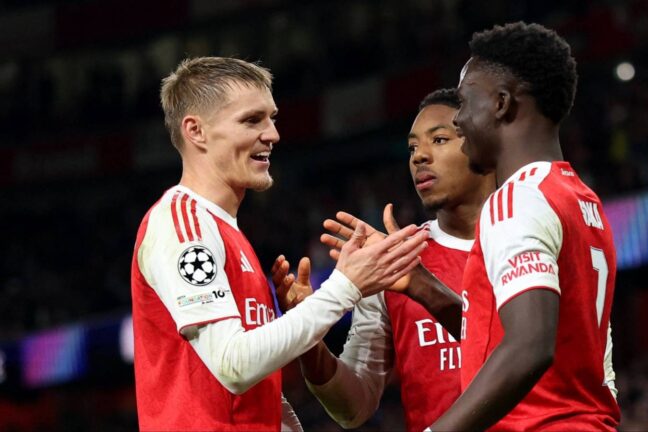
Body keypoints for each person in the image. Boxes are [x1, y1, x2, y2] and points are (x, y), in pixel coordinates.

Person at [130, 56, 428, 431]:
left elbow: (254, 392)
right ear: (196, 131)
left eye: (271, 118)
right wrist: (345, 286)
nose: (272, 134)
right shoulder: (182, 224)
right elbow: (233, 365)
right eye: (252, 120)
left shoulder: (227, 231)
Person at [427, 22, 621, 431]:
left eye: (464, 102)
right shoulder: (582, 200)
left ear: (501, 103)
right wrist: (419, 285)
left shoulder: (516, 199)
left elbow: (529, 346)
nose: (458, 120)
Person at [282, 89, 495, 431]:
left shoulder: (533, 236)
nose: (419, 156)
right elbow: (353, 408)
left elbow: (535, 356)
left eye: (439, 139)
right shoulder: (391, 260)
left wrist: (422, 286)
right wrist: (308, 336)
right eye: (412, 148)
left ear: (484, 144)